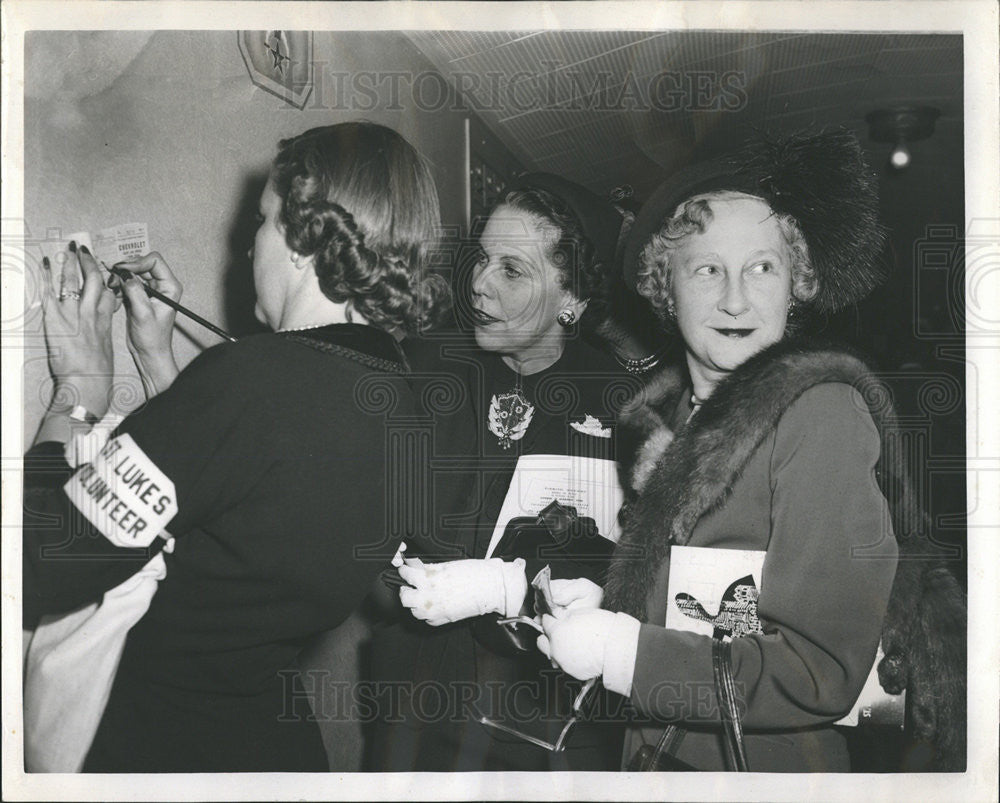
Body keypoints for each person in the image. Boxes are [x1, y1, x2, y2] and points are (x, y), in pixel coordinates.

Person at [22, 121, 449, 772]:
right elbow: (239, 495)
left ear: (305, 240)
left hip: (155, 749)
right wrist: (159, 357)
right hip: (268, 747)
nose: (250, 247)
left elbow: (40, 561)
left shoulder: (250, 383)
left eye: (264, 219)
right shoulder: (405, 404)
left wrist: (75, 394)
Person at [538, 130, 966, 772]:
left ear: (797, 284)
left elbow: (819, 668)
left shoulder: (818, 415)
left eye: (763, 267)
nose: (736, 298)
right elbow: (701, 600)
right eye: (707, 268)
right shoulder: (673, 418)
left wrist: (625, 655)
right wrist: (611, 608)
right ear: (665, 286)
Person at [367, 174, 638, 771]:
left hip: (544, 709)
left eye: (512, 271)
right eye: (482, 260)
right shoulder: (424, 365)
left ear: (573, 301)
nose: (479, 286)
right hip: (417, 692)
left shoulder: (624, 403)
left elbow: (632, 581)